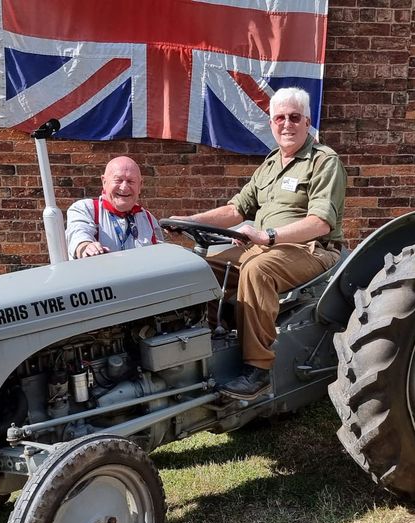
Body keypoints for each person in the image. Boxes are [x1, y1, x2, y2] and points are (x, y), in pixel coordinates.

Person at [182, 87, 347, 400]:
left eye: (294, 117)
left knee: (257, 270)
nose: (287, 124)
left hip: (310, 249)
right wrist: (191, 220)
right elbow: (236, 210)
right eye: (280, 118)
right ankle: (204, 351)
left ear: (307, 121)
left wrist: (269, 236)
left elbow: (320, 223)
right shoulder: (269, 165)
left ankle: (258, 372)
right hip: (261, 246)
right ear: (271, 123)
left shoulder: (324, 162)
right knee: (196, 269)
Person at [66, 156, 164, 259]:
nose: (124, 187)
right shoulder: (86, 209)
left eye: (131, 181)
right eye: (118, 180)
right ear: (104, 182)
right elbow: (78, 234)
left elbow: (160, 258)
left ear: (140, 185)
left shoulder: (148, 219)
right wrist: (86, 246)